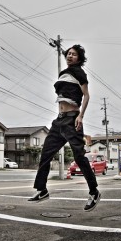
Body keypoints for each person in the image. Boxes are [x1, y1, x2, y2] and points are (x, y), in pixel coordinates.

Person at [29, 44, 101, 211]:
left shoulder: (79, 73)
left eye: (74, 54)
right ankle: (42, 190)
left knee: (79, 157)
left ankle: (94, 191)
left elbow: (86, 95)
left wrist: (81, 116)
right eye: (68, 53)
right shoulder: (63, 74)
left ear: (79, 58)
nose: (70, 56)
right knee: (45, 154)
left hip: (72, 119)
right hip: (59, 120)